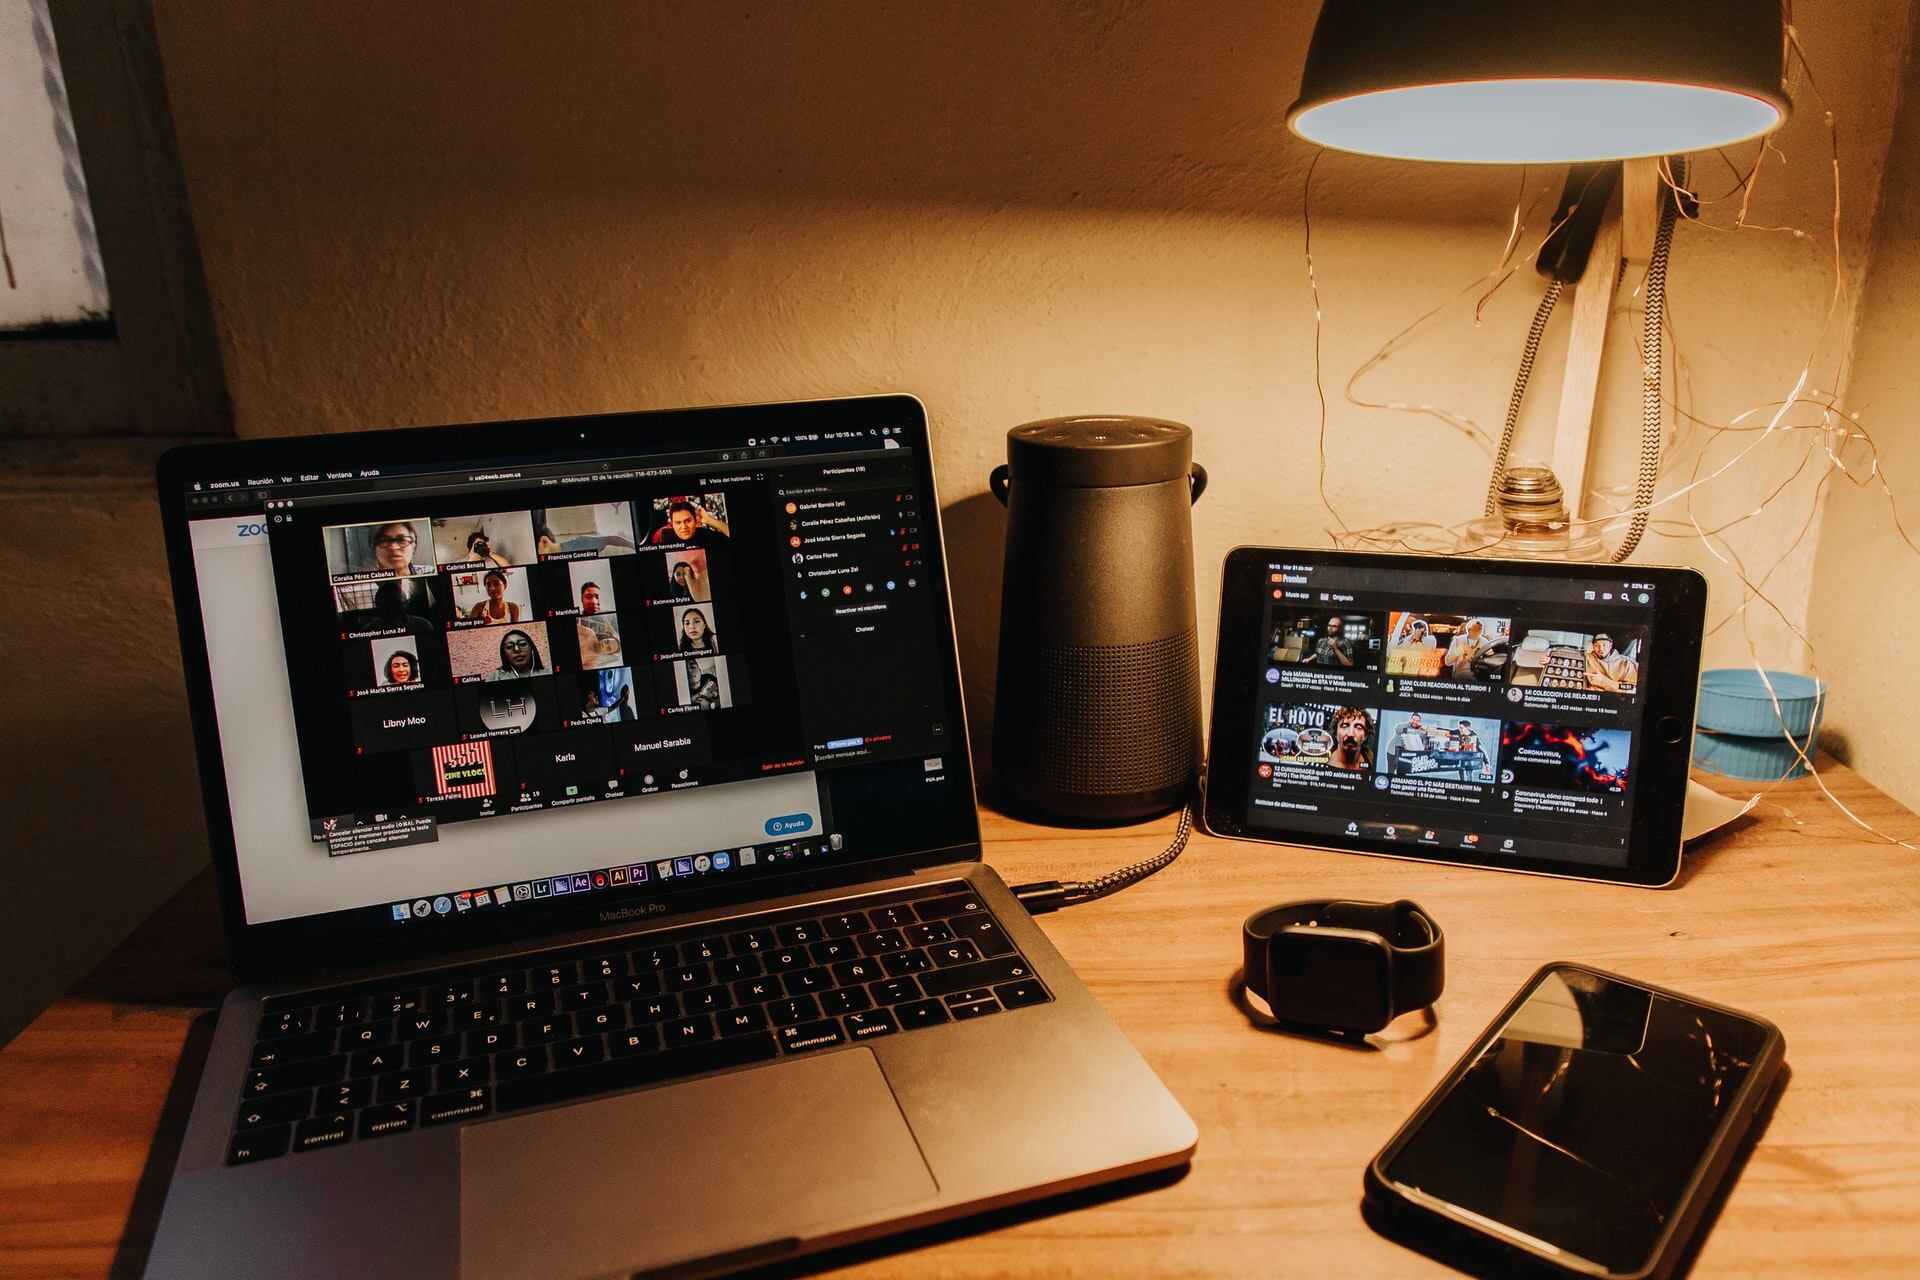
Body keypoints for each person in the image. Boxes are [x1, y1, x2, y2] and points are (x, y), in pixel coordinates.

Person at [650, 499, 730, 548]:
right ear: (672, 524)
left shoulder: (706, 536)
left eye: (688, 521)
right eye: (678, 523)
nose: (684, 526)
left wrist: (710, 520)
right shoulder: (663, 538)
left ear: (695, 520)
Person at [365, 521, 431, 577]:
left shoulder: (429, 572)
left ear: (413, 546)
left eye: (401, 540)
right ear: (374, 548)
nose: (394, 547)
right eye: (384, 540)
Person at [1328, 706, 1372, 772]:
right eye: (1344, 726)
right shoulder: (1321, 760)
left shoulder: (1373, 762)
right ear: (1335, 733)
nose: (1350, 734)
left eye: (1358, 727)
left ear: (1365, 735)